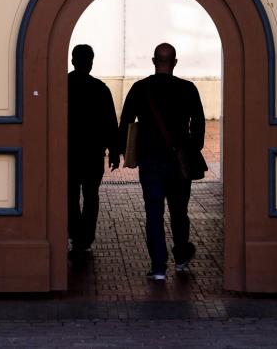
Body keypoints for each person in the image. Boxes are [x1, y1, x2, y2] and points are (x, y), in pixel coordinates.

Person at [114, 43, 205, 281]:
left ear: (154, 61)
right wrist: (190, 150)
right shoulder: (188, 89)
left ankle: (157, 267)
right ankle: (181, 255)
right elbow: (198, 126)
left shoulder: (140, 88)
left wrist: (123, 152)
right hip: (178, 162)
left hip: (151, 161)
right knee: (179, 211)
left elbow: (125, 123)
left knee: (153, 213)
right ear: (175, 62)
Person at [67, 44, 118, 255]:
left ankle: (75, 233)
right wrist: (114, 151)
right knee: (91, 196)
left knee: (69, 195)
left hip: (69, 152)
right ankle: (85, 237)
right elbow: (110, 123)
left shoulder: (62, 85)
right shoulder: (100, 89)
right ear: (91, 61)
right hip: (92, 153)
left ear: (72, 61)